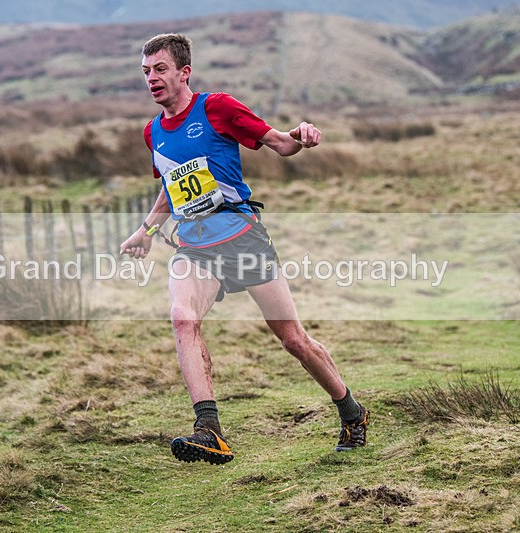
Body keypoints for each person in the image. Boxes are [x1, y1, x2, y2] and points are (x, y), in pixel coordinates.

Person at [119, 33, 369, 465]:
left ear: (184, 72)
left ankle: (351, 411)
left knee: (293, 340)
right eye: (146, 72)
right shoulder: (152, 132)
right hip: (195, 246)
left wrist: (301, 135)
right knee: (182, 318)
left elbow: (281, 144)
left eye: (160, 69)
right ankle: (209, 430)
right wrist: (146, 230)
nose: (152, 79)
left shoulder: (217, 108)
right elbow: (171, 188)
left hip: (242, 238)